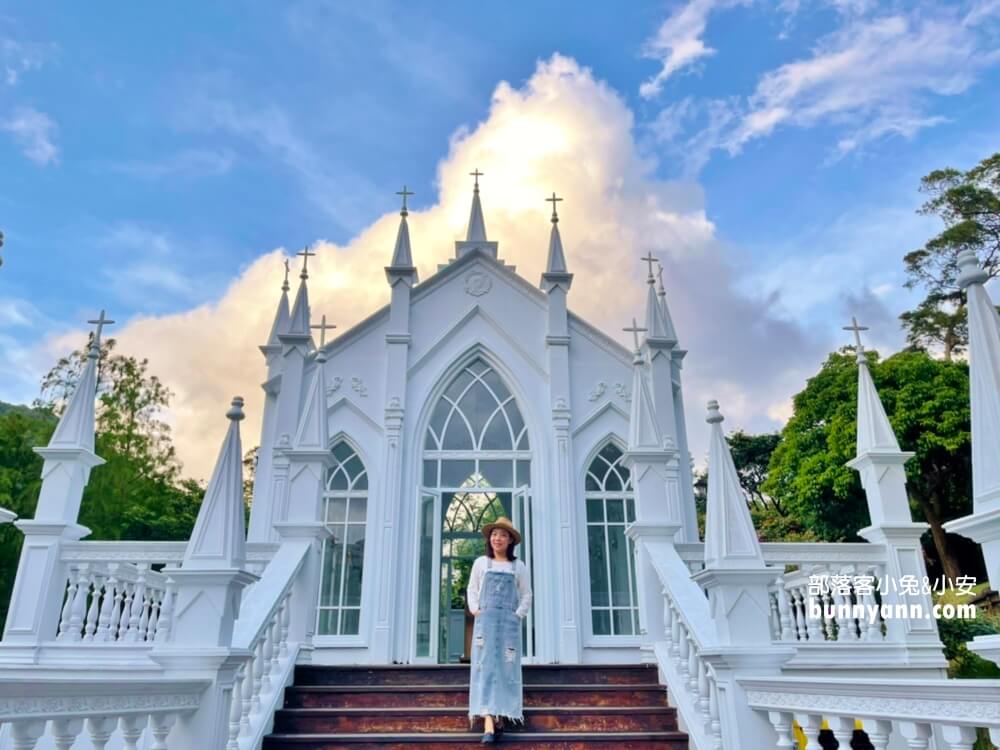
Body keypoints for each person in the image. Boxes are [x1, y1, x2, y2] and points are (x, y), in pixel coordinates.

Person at [466, 516, 532, 744]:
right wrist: (476, 610)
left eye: (503, 535)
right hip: (486, 624)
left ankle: (500, 715)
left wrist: (518, 615)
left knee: (506, 668)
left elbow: (526, 595)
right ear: (490, 538)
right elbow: (472, 589)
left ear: (510, 540)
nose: (498, 538)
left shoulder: (518, 566)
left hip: (508, 627)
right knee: (484, 667)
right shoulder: (481, 563)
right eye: (495, 534)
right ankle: (488, 720)